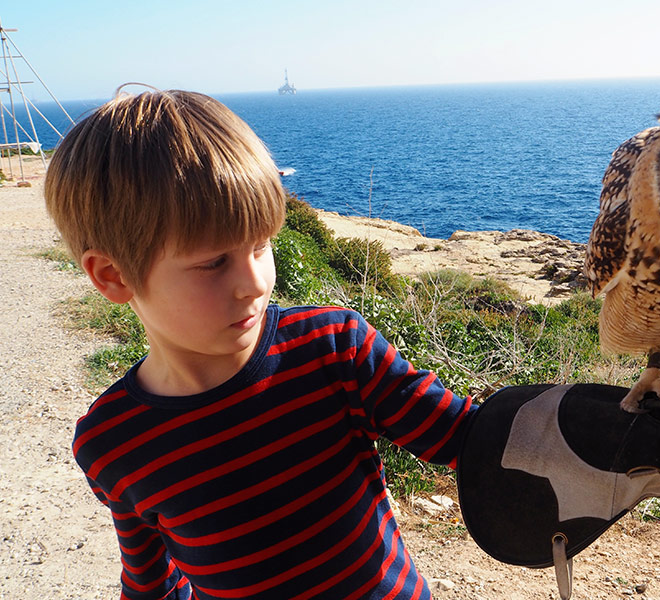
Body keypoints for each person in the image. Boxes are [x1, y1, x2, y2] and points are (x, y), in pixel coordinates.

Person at [44, 87, 475, 600]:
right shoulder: (113, 441)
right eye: (213, 262)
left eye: (261, 245)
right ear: (113, 275)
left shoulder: (335, 349)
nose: (255, 283)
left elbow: (467, 438)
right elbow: (152, 581)